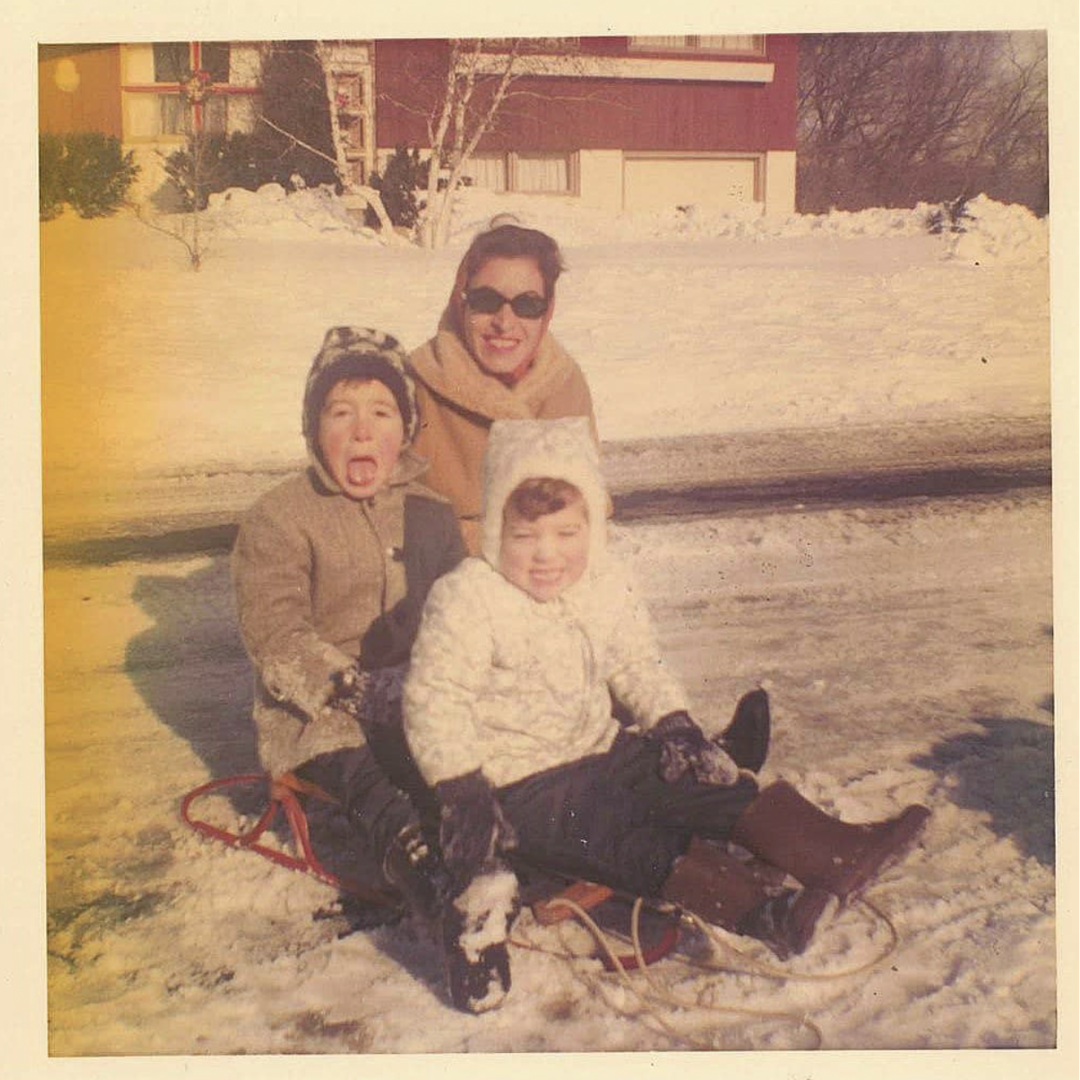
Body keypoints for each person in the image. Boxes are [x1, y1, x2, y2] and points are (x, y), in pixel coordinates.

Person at [402, 417, 930, 1013]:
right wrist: (463, 789)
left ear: (593, 528)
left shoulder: (606, 581)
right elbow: (434, 699)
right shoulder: (469, 597)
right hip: (523, 785)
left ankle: (835, 850)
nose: (547, 555)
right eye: (525, 537)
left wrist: (675, 722)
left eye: (566, 533)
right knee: (621, 837)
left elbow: (637, 664)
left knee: (692, 781)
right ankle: (767, 914)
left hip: (601, 746)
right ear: (497, 527)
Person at [231, 326, 464, 909]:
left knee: (469, 751)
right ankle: (418, 859)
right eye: (341, 412)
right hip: (321, 710)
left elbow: (463, 610)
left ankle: (505, 833)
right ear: (315, 428)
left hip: (416, 692)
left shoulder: (430, 511)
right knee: (368, 772)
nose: (363, 429)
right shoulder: (280, 517)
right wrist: (354, 688)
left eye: (382, 412)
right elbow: (277, 633)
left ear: (405, 430)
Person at [408, 221, 598, 554]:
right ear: (461, 301)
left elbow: (590, 511)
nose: (504, 322)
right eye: (486, 300)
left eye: (527, 305)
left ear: (547, 311)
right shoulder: (413, 383)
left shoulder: (565, 381)